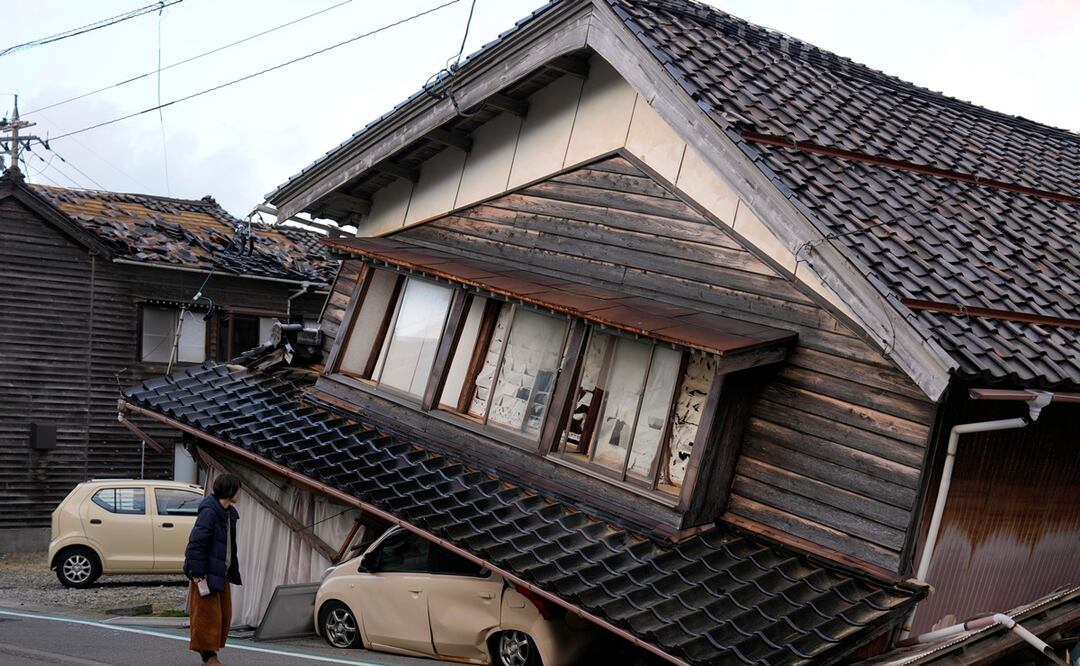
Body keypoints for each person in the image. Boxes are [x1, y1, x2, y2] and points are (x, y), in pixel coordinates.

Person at [183, 474, 243, 666]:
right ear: (230, 491)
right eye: (238, 490)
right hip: (206, 573)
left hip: (221, 570)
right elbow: (196, 544)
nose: (240, 494)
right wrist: (197, 574)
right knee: (207, 617)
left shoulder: (227, 513)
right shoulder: (209, 512)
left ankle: (211, 656)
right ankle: (209, 658)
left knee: (222, 616)